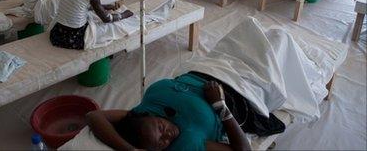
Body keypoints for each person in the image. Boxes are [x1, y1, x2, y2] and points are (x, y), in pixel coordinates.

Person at [86, 72, 256, 151]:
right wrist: (220, 106)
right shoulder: (188, 142)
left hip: (202, 68)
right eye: (161, 143)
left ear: (147, 115)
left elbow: (93, 116)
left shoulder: (139, 112)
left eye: (161, 128)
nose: (169, 135)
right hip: (239, 89)